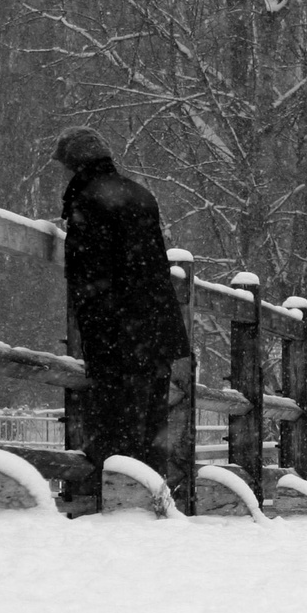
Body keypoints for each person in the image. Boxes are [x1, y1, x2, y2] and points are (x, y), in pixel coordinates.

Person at [54, 127, 191, 482]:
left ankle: (118, 501)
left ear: (74, 166)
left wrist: (96, 337)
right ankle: (148, 495)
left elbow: (90, 278)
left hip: (118, 333)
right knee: (149, 425)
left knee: (114, 424)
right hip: (155, 329)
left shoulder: (89, 200)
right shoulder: (139, 194)